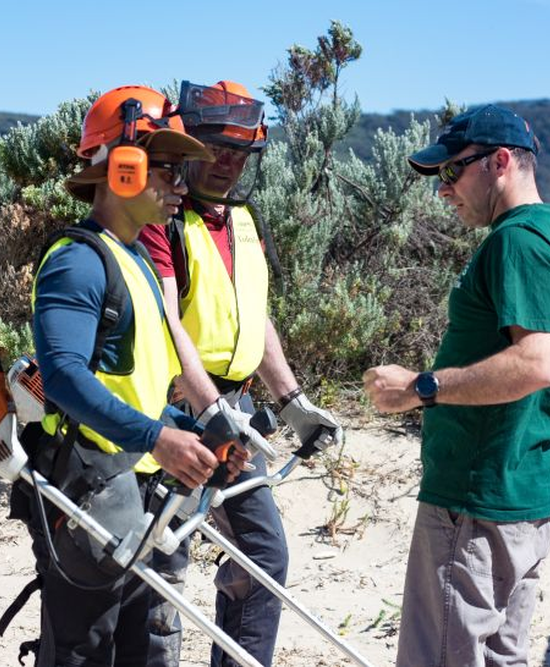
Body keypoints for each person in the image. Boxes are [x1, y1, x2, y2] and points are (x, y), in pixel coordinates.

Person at [362, 104, 550, 667]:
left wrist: (421, 388)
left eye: (451, 172)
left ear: (499, 162)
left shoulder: (517, 241)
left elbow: (539, 364)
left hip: (476, 500)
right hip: (529, 499)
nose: (443, 190)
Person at [25, 85, 247, 667]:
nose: (180, 185)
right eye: (167, 169)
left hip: (144, 493)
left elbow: (140, 389)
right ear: (122, 168)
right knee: (83, 652)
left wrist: (196, 434)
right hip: (90, 495)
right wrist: (156, 438)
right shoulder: (78, 260)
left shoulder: (139, 263)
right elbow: (66, 380)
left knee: (147, 650)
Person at [138, 80, 344, 667]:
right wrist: (208, 410)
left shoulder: (241, 221)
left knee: (261, 556)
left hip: (235, 416)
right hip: (176, 415)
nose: (227, 163)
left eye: (240, 153)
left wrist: (291, 401)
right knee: (161, 571)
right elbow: (167, 323)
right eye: (216, 149)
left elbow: (254, 317)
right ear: (187, 148)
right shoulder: (163, 220)